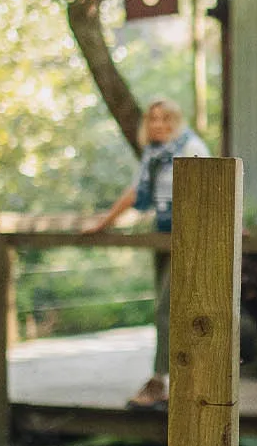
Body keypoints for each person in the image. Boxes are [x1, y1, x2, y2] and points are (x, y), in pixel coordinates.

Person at [86, 98, 209, 409]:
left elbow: (211, 191)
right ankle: (172, 380)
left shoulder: (189, 147)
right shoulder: (153, 155)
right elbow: (135, 192)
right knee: (165, 308)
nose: (158, 125)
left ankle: (162, 380)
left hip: (189, 237)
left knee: (170, 309)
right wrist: (104, 222)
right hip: (162, 234)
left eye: (165, 119)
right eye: (153, 119)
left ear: (176, 121)